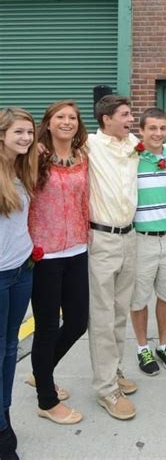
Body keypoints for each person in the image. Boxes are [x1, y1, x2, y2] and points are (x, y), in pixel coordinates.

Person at [27, 101, 89, 424]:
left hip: (78, 249)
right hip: (45, 254)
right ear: (48, 123)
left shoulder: (83, 156)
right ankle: (46, 401)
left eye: (72, 118)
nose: (67, 122)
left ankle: (41, 371)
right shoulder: (34, 156)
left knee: (78, 321)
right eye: (60, 117)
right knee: (48, 327)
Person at [87, 95, 139, 420]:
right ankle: (106, 390)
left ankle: (114, 369)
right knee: (102, 316)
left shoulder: (133, 144)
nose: (130, 119)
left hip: (129, 237)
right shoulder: (89, 145)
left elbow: (160, 145)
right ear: (106, 119)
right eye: (125, 114)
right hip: (102, 240)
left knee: (121, 312)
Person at [130, 108, 166, 376]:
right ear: (141, 130)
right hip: (141, 239)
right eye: (152, 128)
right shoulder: (130, 157)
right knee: (138, 298)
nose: (158, 133)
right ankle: (143, 348)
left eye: (163, 128)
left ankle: (164, 344)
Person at [0, 107, 37, 460]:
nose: (25, 138)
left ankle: (4, 414)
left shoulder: (21, 168)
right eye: (18, 133)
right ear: (2, 135)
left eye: (29, 132)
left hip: (22, 270)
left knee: (11, 349)